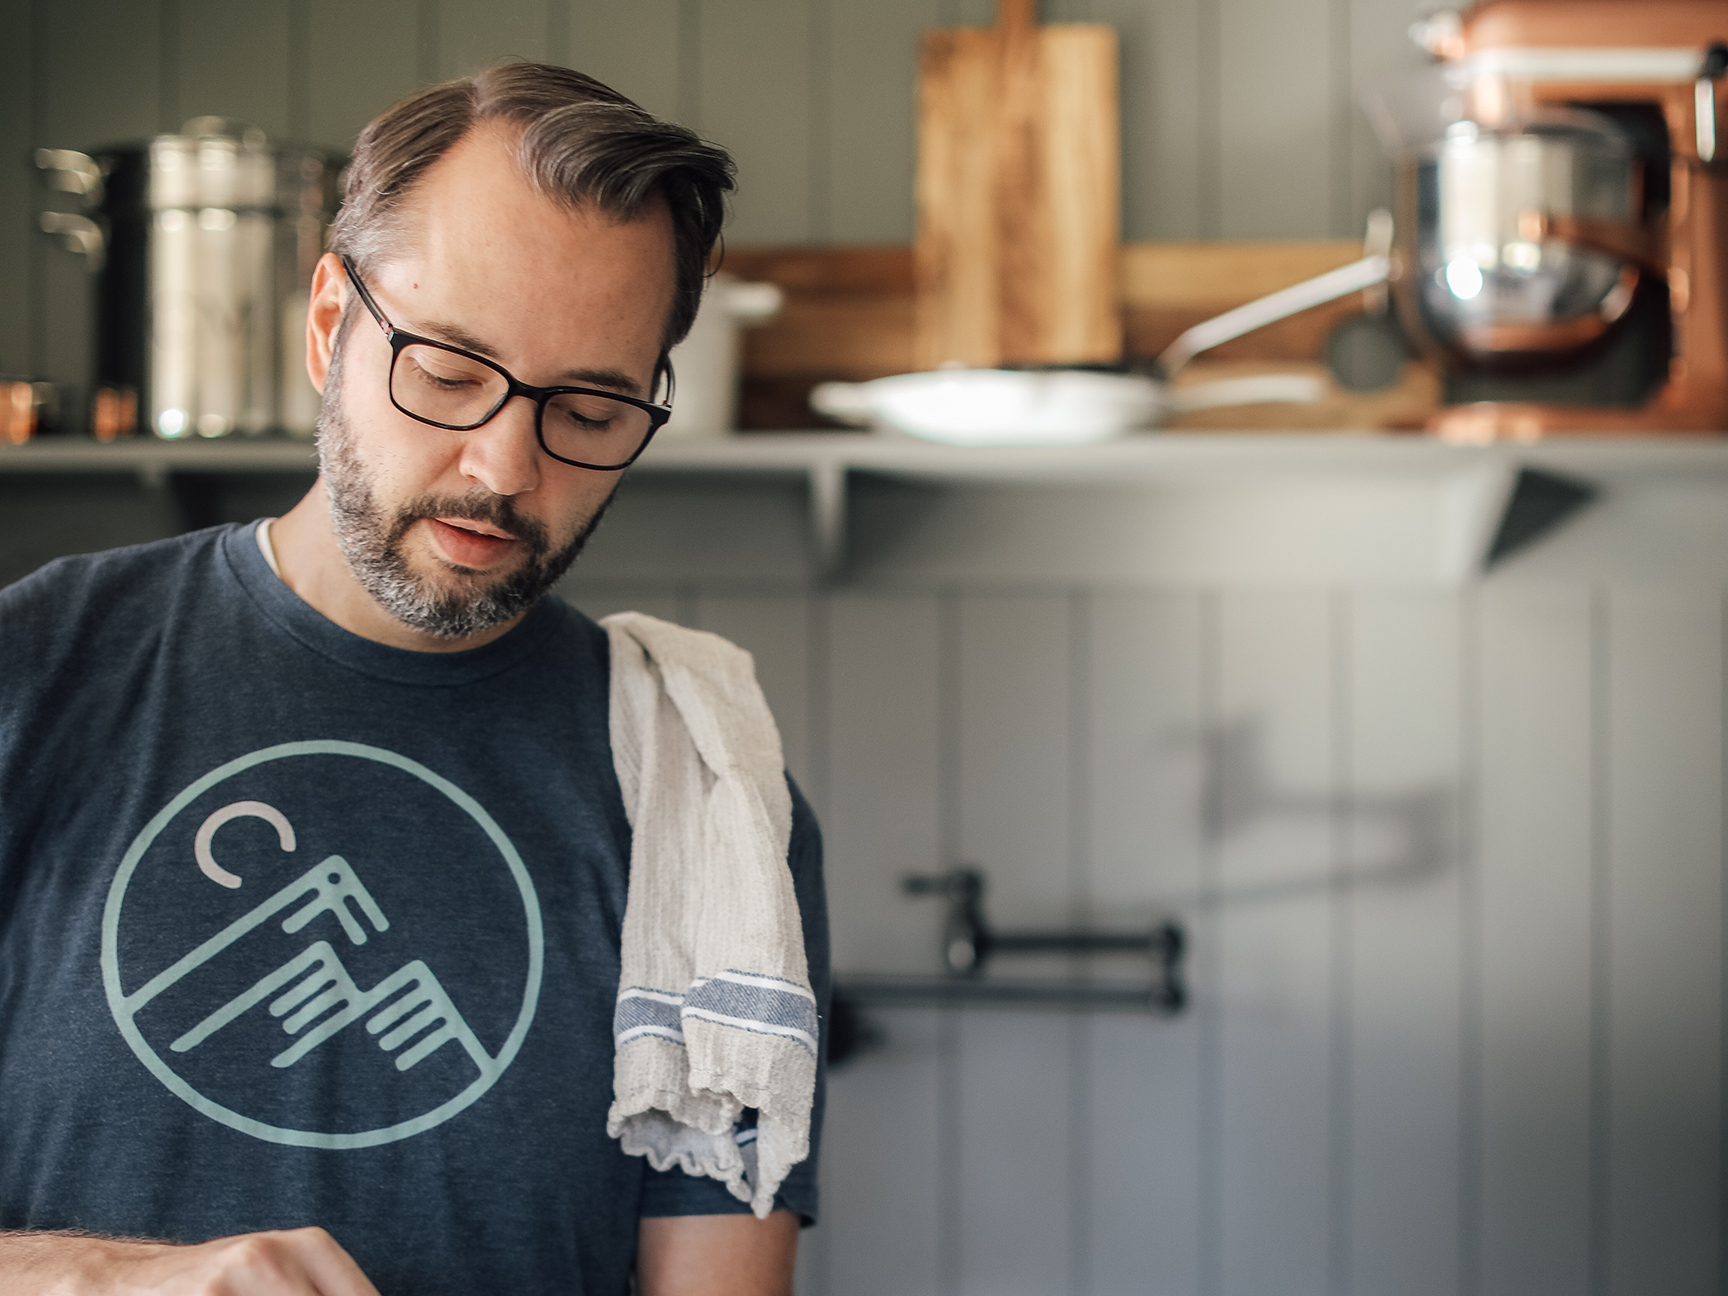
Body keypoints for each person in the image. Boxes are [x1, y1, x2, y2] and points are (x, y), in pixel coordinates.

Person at [0, 64, 827, 1296]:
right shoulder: (34, 671)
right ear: (332, 321)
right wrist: (97, 1280)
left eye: (591, 408)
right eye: (447, 370)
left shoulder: (705, 808)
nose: (501, 468)